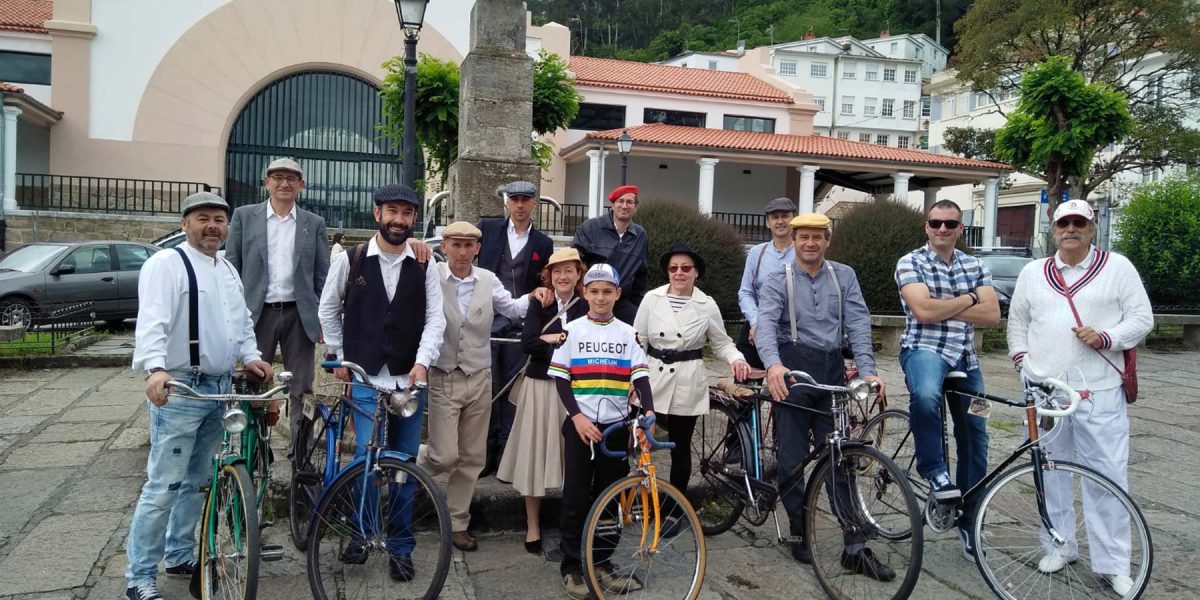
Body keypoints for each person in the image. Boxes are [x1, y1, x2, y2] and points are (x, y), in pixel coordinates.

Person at [126, 192, 274, 600]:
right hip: (180, 387)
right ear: (184, 223)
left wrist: (252, 356)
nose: (212, 226)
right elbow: (152, 320)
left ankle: (178, 554)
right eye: (203, 218)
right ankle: (139, 576)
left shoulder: (226, 268)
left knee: (197, 481)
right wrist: (154, 369)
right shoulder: (166, 264)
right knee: (164, 485)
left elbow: (240, 321)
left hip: (220, 387)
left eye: (219, 220)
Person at [1006, 199, 1152, 597]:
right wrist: (1022, 361)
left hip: (1099, 387)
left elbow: (1142, 317)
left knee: (1106, 476)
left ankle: (1112, 563)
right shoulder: (1034, 272)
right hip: (1046, 387)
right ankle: (1058, 543)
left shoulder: (1117, 267)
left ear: (1091, 228)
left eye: (1079, 223)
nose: (1071, 229)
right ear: (1053, 229)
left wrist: (1108, 338)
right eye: (1063, 223)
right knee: (1050, 471)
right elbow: (1017, 320)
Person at [317, 183, 445, 581]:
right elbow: (328, 308)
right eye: (392, 211)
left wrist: (423, 364)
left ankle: (401, 546)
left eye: (407, 214)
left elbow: (435, 319)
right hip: (366, 376)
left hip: (408, 379)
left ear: (414, 220)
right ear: (377, 215)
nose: (399, 220)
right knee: (366, 461)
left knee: (405, 465)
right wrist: (338, 354)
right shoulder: (352, 259)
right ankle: (361, 533)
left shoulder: (426, 263)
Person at [756, 213, 892, 579]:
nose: (810, 243)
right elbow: (766, 324)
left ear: (827, 240)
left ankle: (854, 545)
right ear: (795, 240)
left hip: (831, 366)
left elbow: (859, 322)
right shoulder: (776, 279)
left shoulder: (843, 275)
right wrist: (772, 366)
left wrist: (867, 370)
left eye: (817, 237)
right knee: (791, 460)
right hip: (793, 369)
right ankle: (801, 528)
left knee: (840, 457)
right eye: (804, 237)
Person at [416, 221, 548, 552]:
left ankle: (458, 522)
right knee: (445, 455)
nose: (462, 252)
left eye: (468, 246)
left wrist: (535, 296)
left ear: (477, 249)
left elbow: (513, 308)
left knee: (472, 457)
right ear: (443, 247)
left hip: (479, 376)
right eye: (455, 245)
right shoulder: (431, 275)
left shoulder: (488, 280)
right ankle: (409, 467)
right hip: (444, 375)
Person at [894, 199, 1000, 560]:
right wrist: (970, 297)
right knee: (925, 396)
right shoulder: (911, 262)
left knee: (976, 433)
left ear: (960, 229)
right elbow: (922, 312)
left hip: (965, 357)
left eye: (950, 224)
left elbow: (992, 315)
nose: (942, 229)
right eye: (935, 223)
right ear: (926, 226)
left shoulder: (976, 264)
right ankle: (935, 471)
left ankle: (969, 522)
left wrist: (947, 303)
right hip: (923, 349)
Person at [550, 264, 655, 600]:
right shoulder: (572, 330)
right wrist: (577, 417)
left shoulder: (628, 333)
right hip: (580, 427)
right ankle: (572, 565)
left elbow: (639, 376)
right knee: (576, 496)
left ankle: (602, 561)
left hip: (615, 427)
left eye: (606, 291)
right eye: (593, 291)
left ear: (617, 294)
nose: (599, 297)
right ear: (585, 293)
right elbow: (561, 378)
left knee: (610, 497)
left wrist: (649, 410)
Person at [225, 157, 329, 457]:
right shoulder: (245, 217)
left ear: (301, 185)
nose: (284, 183)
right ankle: (251, 448)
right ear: (266, 182)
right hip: (256, 314)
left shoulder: (313, 223)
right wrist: (234, 313)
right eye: (278, 177)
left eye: (292, 178)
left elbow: (322, 274)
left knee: (302, 387)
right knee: (252, 383)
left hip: (299, 313)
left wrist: (320, 315)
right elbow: (232, 267)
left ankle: (300, 450)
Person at [633, 242, 750, 508]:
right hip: (653, 377)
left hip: (687, 380)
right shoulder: (652, 299)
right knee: (641, 443)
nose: (679, 273)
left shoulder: (706, 305)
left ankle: (674, 508)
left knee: (680, 447)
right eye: (673, 268)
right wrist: (632, 377)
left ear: (696, 272)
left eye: (686, 268)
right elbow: (637, 340)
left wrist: (737, 358)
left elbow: (720, 343)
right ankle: (636, 501)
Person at [497, 248, 589, 555]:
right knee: (534, 456)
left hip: (573, 391)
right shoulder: (539, 302)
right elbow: (529, 342)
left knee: (572, 459)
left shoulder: (586, 305)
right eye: (557, 271)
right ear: (548, 275)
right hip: (539, 386)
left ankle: (571, 523)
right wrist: (562, 343)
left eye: (569, 271)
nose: (563, 277)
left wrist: (553, 341)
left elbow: (585, 345)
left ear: (579, 274)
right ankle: (532, 524)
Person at [477, 180, 555, 477]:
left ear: (534, 203)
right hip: (488, 317)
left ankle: (506, 455)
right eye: (515, 199)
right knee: (488, 387)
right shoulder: (487, 228)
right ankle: (484, 453)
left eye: (526, 199)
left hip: (522, 321)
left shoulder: (543, 242)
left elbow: (544, 281)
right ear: (507, 202)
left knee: (512, 390)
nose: (520, 205)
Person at [571, 184, 648, 324]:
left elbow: (640, 273)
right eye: (620, 201)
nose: (624, 206)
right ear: (612, 205)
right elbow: (576, 264)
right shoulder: (590, 228)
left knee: (639, 333)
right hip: (591, 300)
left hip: (622, 302)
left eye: (630, 202)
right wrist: (585, 294)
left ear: (636, 208)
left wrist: (637, 304)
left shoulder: (640, 235)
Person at [737, 197, 797, 368]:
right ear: (768, 223)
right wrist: (756, 322)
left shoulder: (802, 254)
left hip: (791, 330)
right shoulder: (757, 253)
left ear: (794, 219)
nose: (780, 221)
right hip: (756, 325)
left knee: (788, 388)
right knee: (745, 387)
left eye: (785, 216)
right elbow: (745, 292)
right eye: (774, 217)